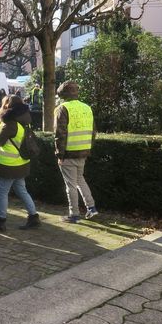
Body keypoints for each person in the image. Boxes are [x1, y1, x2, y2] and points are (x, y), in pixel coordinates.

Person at [0, 95, 41, 231]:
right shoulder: (24, 120)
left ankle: (0, 221)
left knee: (2, 192)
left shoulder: (10, 123)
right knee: (21, 189)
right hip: (21, 162)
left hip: (9, 165)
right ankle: (33, 216)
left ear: (7, 106)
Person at [54, 81, 98, 224]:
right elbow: (93, 131)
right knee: (80, 180)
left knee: (70, 185)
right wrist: (88, 149)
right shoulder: (87, 107)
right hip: (83, 152)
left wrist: (59, 155)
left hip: (69, 153)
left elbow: (60, 134)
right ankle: (91, 208)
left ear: (62, 95)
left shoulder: (62, 108)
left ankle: (74, 214)